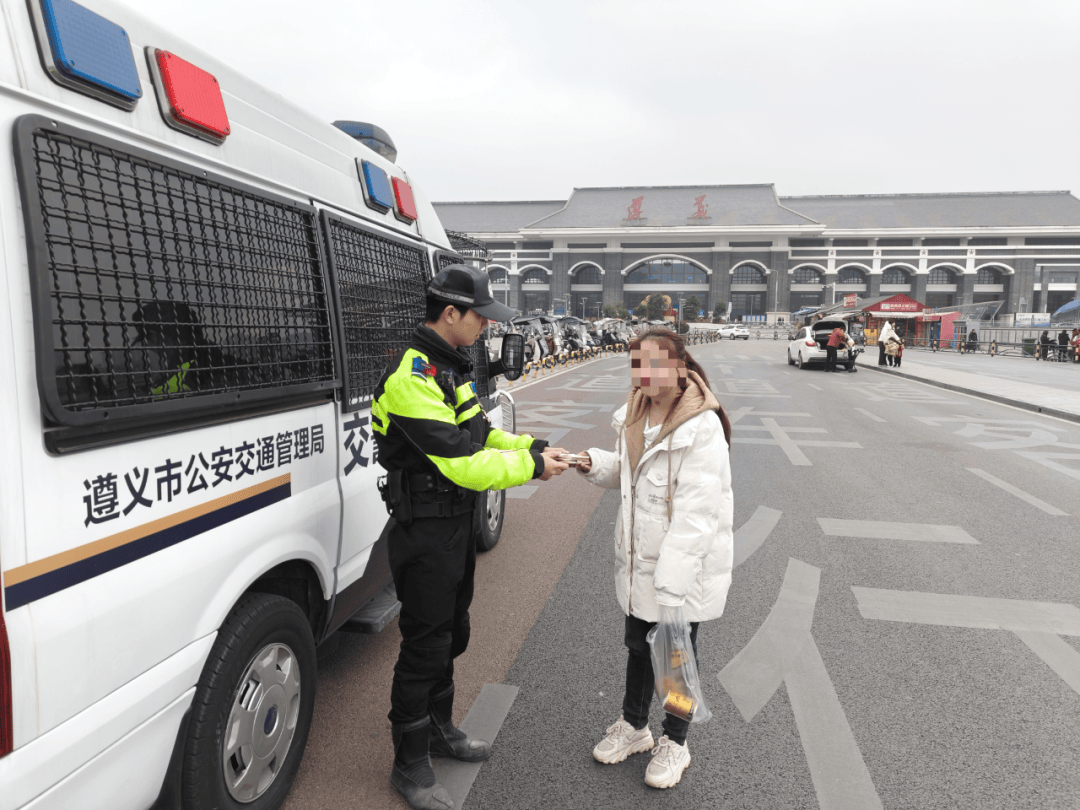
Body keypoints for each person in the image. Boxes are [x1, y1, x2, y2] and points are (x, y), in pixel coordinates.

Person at [371, 264, 570, 810]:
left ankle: (439, 729)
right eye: (480, 316)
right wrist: (533, 468)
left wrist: (535, 447)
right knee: (425, 644)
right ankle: (409, 762)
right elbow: (462, 461)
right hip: (424, 529)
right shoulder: (410, 378)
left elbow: (481, 433)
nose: (486, 325)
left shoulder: (448, 367)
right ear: (450, 313)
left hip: (453, 525)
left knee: (452, 631)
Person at [575, 328, 734, 790]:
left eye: (653, 364)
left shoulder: (701, 426)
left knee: (675, 660)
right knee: (637, 648)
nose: (643, 373)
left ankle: (676, 742)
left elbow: (697, 516)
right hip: (639, 561)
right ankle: (635, 726)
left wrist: (670, 585)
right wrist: (592, 463)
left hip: (680, 571)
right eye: (636, 364)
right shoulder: (636, 412)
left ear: (679, 366)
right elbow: (629, 473)